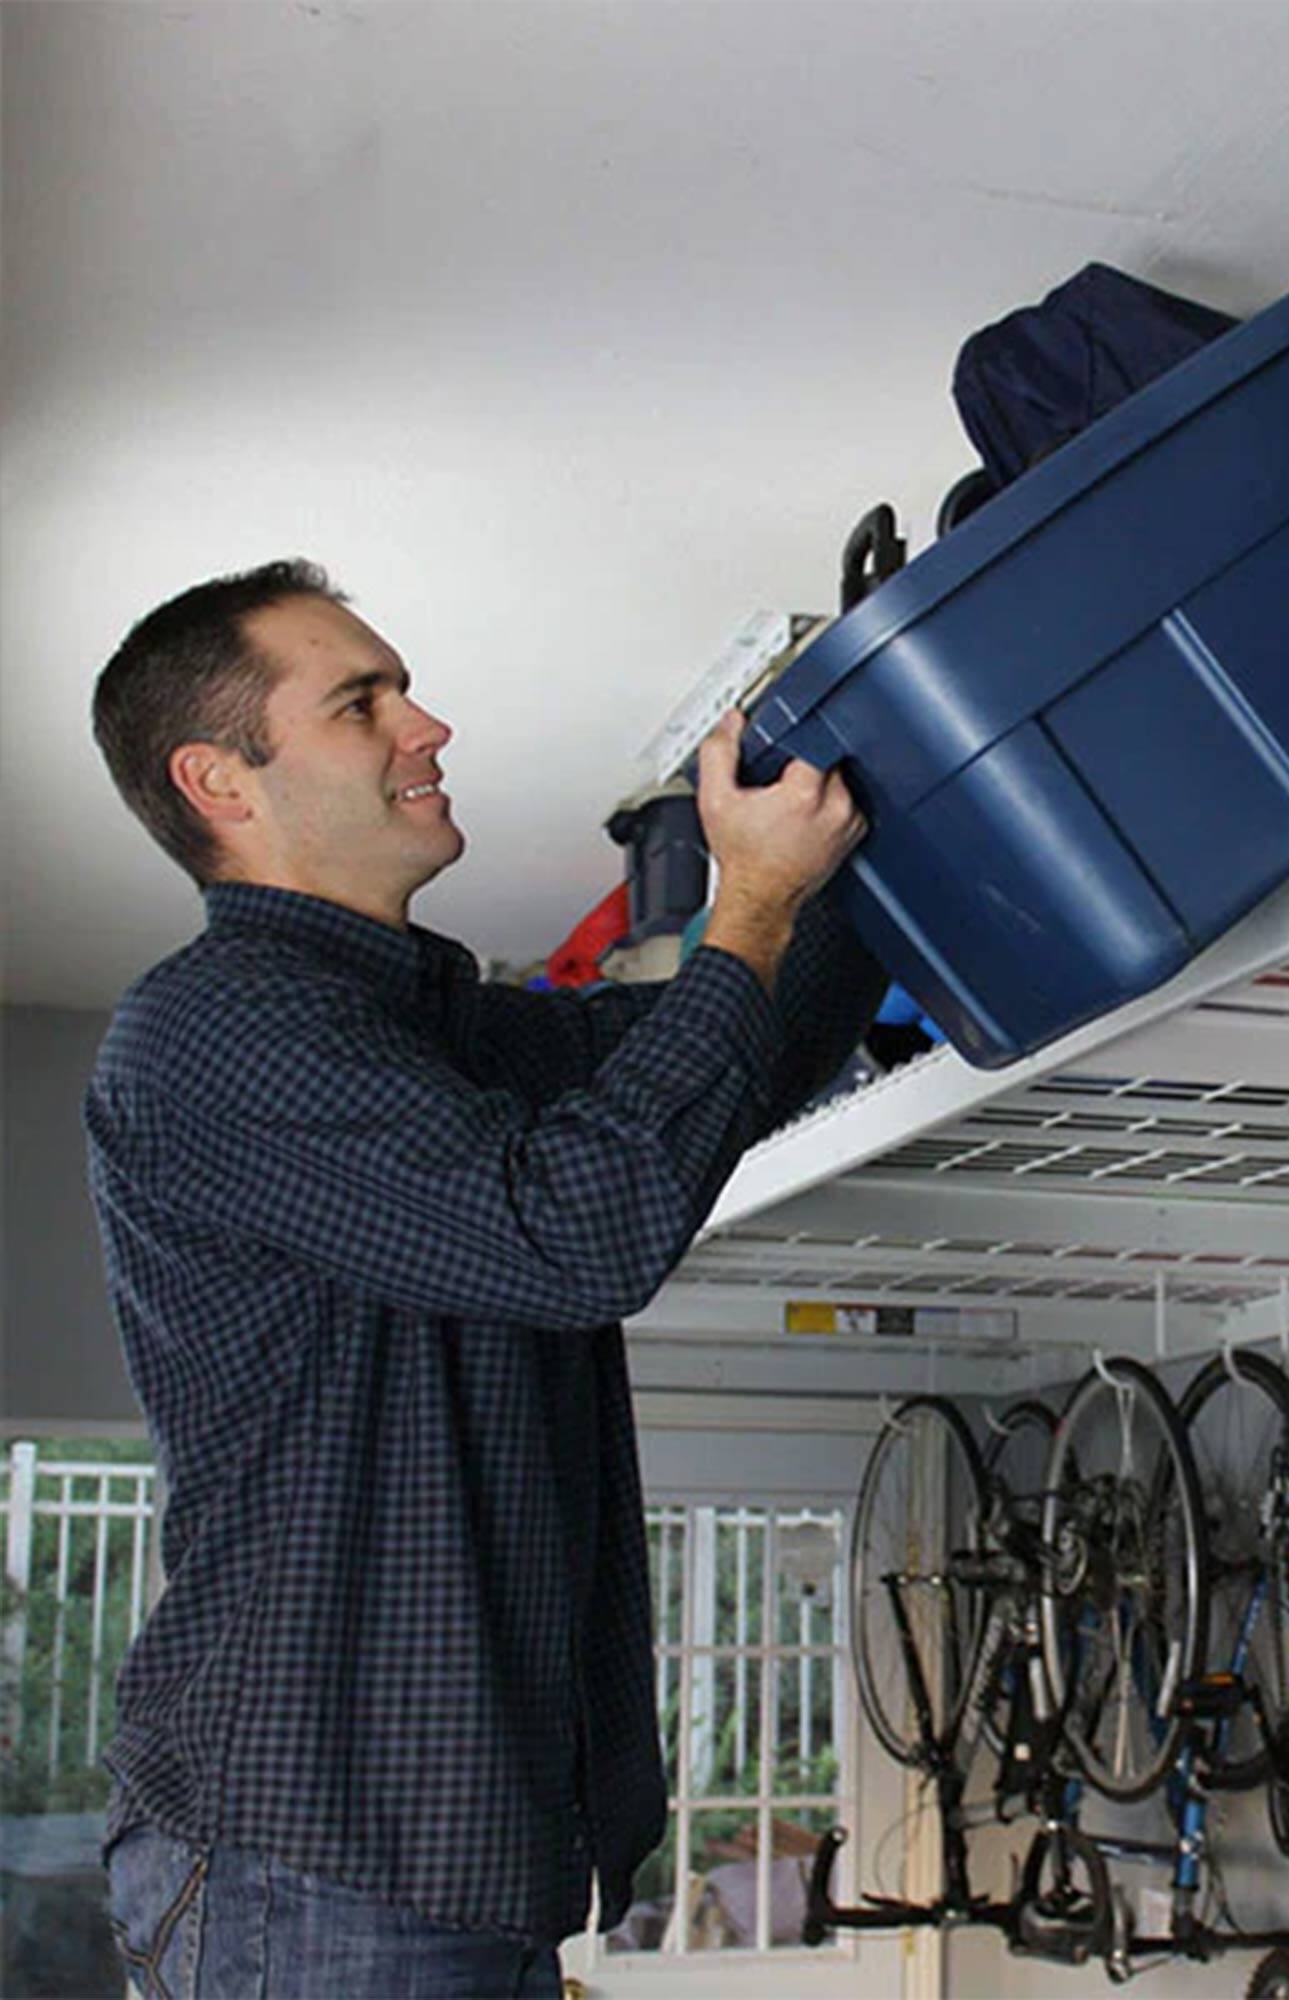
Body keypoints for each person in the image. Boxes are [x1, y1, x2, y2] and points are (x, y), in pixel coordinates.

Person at [83, 559, 884, 1996]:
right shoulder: (211, 1032)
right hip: (317, 1856)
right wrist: (748, 904)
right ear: (221, 779)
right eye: (360, 702)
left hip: (421, 1868)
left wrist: (857, 832)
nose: (428, 725)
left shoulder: (432, 1031)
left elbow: (731, 1068)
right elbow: (580, 1239)